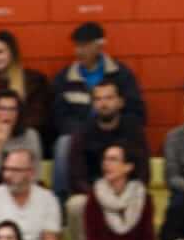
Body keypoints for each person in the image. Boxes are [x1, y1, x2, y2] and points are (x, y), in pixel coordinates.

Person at [51, 21, 146, 196]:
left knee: (134, 137)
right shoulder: (64, 79)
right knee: (64, 143)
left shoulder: (121, 75)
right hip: (83, 136)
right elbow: (59, 117)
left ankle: (131, 195)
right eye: (77, 46)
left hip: (117, 133)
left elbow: (137, 112)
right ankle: (62, 200)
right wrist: (83, 131)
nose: (79, 51)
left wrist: (116, 127)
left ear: (99, 46)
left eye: (84, 46)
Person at [64, 81, 151, 209]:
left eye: (109, 98)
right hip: (93, 193)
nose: (103, 104)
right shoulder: (82, 133)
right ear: (93, 104)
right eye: (98, 99)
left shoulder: (133, 130)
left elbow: (143, 172)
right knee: (75, 204)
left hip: (127, 193)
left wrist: (125, 194)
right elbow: (76, 178)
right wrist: (99, 196)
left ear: (120, 102)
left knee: (143, 201)